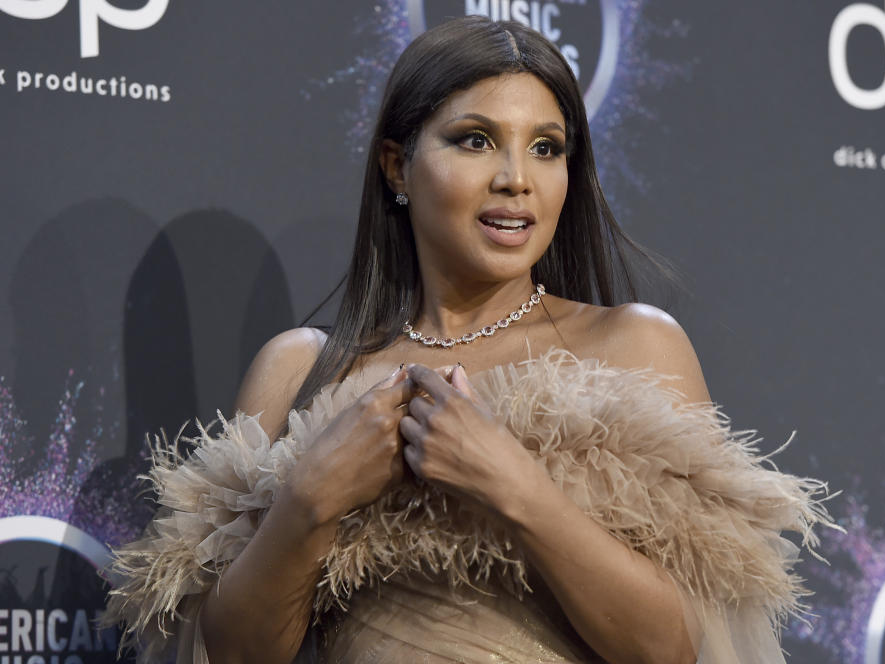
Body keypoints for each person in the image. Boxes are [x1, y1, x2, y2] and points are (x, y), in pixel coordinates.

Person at [104, 16, 835, 664]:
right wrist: (309, 501)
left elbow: (672, 649)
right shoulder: (300, 370)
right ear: (398, 165)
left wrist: (514, 487)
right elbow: (233, 655)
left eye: (547, 149)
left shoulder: (636, 348)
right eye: (476, 140)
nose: (517, 179)